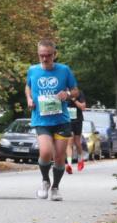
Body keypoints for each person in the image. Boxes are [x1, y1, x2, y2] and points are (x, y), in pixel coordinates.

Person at [25, 39, 79, 201]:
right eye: (41, 55)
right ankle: (45, 181)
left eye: (48, 55)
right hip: (41, 120)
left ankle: (55, 187)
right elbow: (28, 86)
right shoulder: (33, 70)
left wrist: (68, 95)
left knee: (59, 157)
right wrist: (28, 98)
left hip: (61, 120)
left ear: (54, 55)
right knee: (46, 152)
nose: (45, 59)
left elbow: (75, 90)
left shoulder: (64, 70)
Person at [66, 88, 88, 173]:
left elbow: (83, 107)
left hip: (78, 120)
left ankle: (80, 160)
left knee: (77, 142)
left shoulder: (78, 93)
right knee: (69, 142)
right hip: (68, 121)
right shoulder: (63, 92)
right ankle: (69, 164)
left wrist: (74, 100)